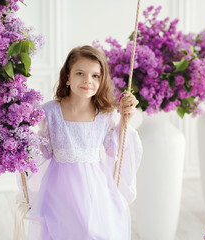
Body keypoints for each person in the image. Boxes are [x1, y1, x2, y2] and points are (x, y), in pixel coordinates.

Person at [23, 45, 142, 240]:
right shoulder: (49, 112)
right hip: (58, 188)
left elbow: (116, 147)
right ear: (68, 77)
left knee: (91, 232)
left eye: (96, 76)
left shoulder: (104, 115)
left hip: (94, 186)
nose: (88, 80)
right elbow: (40, 150)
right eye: (80, 73)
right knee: (63, 231)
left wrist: (125, 119)